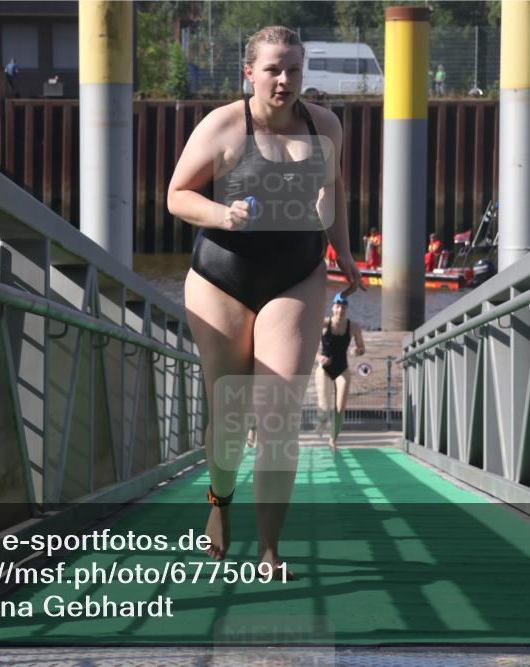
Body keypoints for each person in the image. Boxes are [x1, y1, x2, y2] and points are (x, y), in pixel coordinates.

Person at [167, 26, 362, 573]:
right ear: (249, 72)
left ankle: (270, 549)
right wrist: (220, 214)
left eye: (294, 69)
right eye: (274, 68)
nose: (285, 79)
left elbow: (336, 188)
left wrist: (343, 251)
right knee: (229, 413)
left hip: (296, 273)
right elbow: (177, 195)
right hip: (221, 275)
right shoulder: (225, 125)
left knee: (277, 414)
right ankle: (219, 506)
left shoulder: (325, 125)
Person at [314, 293, 365, 451]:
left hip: (342, 368)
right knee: (324, 407)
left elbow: (362, 347)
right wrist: (319, 357)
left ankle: (332, 439)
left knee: (340, 407)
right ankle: (322, 421)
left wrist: (357, 351)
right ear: (332, 307)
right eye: (337, 306)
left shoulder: (353, 326)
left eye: (343, 307)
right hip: (324, 369)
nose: (340, 310)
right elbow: (309, 344)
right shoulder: (324, 324)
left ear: (347, 309)